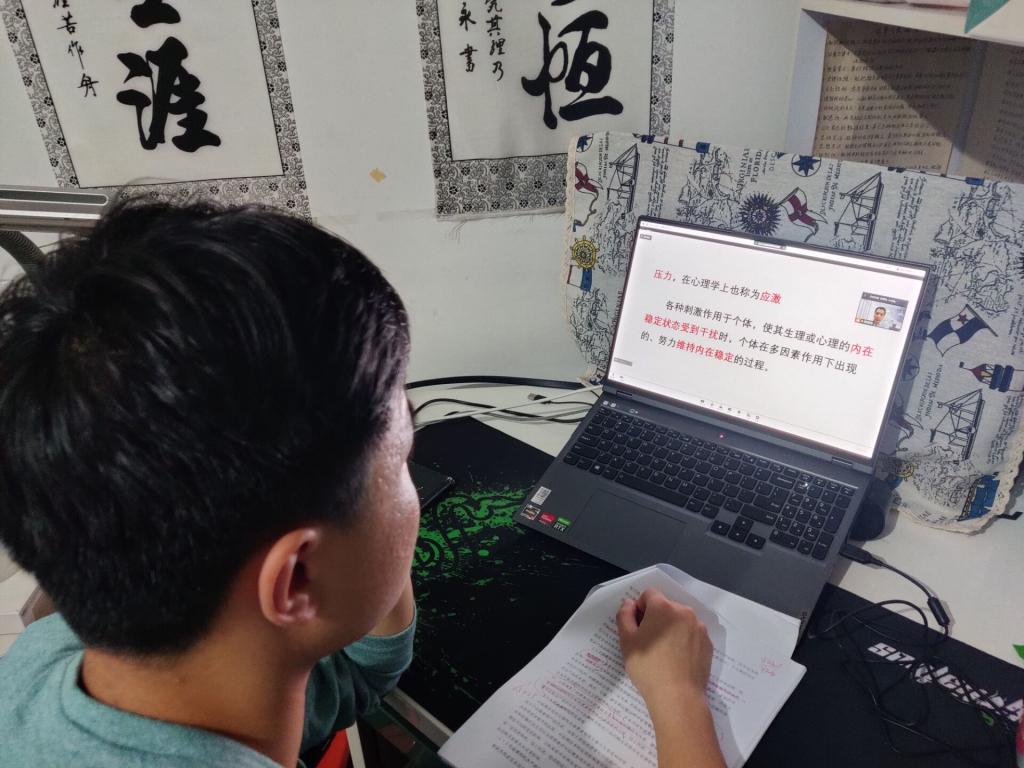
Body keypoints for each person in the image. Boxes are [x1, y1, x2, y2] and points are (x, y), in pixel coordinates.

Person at [0, 198, 724, 768]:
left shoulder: (47, 659)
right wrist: (679, 699)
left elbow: (348, 680)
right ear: (296, 579)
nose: (414, 486)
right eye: (402, 462)